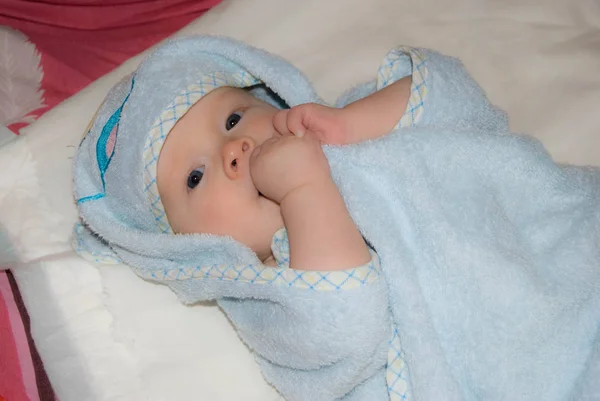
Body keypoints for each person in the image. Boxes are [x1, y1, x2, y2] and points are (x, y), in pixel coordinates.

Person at [72, 36, 600, 401]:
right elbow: (346, 327)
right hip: (526, 367)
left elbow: (462, 107)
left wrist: (348, 125)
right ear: (188, 249)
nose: (234, 148)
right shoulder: (269, 291)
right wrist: (305, 190)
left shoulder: (344, 130)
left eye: (232, 118)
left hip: (565, 245)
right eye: (195, 177)